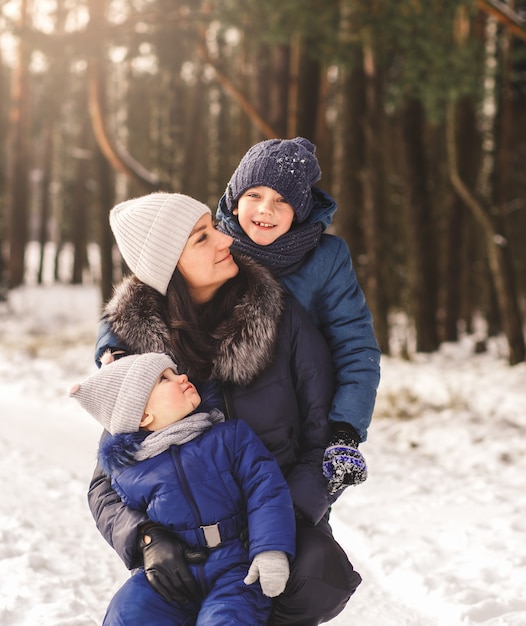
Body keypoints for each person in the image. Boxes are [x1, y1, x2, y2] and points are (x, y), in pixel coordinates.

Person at [89, 192, 361, 625]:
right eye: (202, 238)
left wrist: (275, 520)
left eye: (213, 227)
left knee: (318, 573)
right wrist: (145, 539)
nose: (225, 240)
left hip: (276, 513)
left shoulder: (280, 317)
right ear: (168, 267)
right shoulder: (136, 356)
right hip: (187, 546)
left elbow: (322, 439)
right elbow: (106, 481)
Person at [71, 351, 295, 625]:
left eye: (175, 371)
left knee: (226, 619)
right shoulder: (129, 471)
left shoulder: (229, 437)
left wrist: (270, 549)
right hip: (172, 572)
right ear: (143, 415)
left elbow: (266, 490)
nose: (182, 377)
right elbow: (118, 512)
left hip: (234, 567)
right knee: (127, 612)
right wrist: (146, 541)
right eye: (165, 379)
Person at [215, 136, 381, 494]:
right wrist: (115, 347)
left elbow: (356, 347)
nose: (265, 210)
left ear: (301, 210)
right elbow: (153, 295)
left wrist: (345, 430)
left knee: (296, 535)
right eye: (254, 195)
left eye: (282, 200)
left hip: (297, 429)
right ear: (234, 199)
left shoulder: (326, 259)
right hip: (217, 419)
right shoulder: (211, 245)